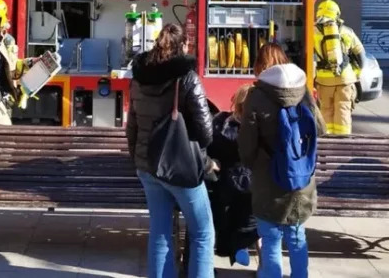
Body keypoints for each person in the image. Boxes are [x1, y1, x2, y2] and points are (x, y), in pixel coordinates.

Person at [127, 23, 214, 278]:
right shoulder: (186, 78)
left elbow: (131, 125)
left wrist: (138, 160)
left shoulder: (139, 77)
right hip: (180, 167)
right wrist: (205, 160)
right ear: (183, 46)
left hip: (147, 167)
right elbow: (206, 131)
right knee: (202, 231)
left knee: (160, 231)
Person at [239, 43, 326, 278]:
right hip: (301, 178)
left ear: (260, 66)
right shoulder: (304, 90)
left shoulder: (256, 96)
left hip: (268, 179)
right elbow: (321, 128)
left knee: (270, 238)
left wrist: (250, 164)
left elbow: (247, 145)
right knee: (297, 237)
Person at [206, 83, 258, 269]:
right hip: (250, 188)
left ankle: (228, 246)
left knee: (221, 208)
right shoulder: (257, 130)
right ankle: (240, 245)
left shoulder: (220, 123)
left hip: (222, 185)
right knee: (250, 207)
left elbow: (210, 149)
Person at [312, 0, 363, 135]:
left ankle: (326, 142)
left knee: (326, 111)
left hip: (323, 81)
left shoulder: (313, 33)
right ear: (337, 14)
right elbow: (361, 55)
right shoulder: (347, 32)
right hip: (345, 79)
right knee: (343, 111)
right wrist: (357, 72)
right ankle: (343, 142)